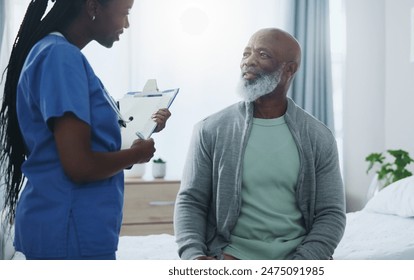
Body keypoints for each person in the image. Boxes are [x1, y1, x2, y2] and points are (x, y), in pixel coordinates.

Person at [0, 0, 171, 260]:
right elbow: (79, 165)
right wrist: (137, 155)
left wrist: (145, 129)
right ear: (93, 7)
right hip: (68, 229)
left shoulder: (53, 53)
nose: (126, 24)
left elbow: (82, 148)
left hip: (64, 226)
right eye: (125, 13)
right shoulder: (61, 57)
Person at [174, 28, 345, 260]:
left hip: (298, 257)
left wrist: (303, 262)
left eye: (263, 55)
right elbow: (191, 201)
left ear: (289, 69)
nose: (249, 62)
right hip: (230, 255)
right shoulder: (209, 129)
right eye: (246, 53)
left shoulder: (319, 137)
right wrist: (193, 256)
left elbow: (331, 213)